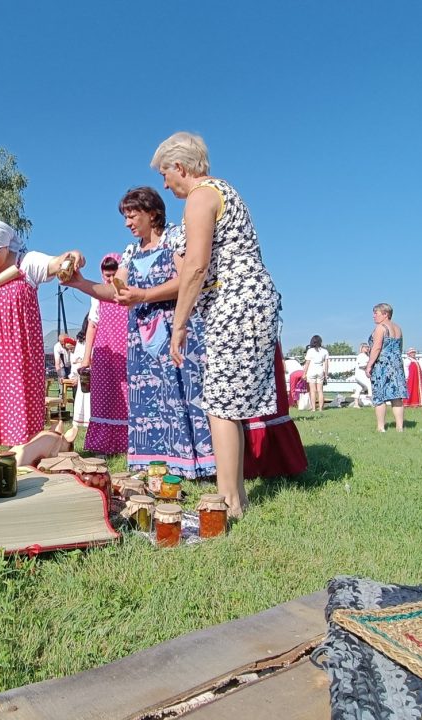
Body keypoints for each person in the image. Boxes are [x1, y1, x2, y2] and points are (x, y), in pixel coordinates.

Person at [156, 131, 290, 517]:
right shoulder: (224, 191)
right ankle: (236, 496)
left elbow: (196, 265)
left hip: (236, 302)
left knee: (221, 405)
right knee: (225, 402)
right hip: (247, 301)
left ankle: (230, 501)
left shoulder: (201, 196)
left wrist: (178, 325)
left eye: (166, 174)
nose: (165, 184)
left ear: (180, 167)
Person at [66, 186, 215, 478]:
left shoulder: (174, 239)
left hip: (175, 326)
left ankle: (194, 464)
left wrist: (144, 295)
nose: (127, 223)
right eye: (125, 216)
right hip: (141, 337)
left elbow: (188, 278)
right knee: (147, 399)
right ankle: (153, 462)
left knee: (180, 393)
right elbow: (113, 291)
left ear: (153, 213)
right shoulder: (131, 252)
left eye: (132, 215)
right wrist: (79, 283)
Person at [0, 219, 84, 446]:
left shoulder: (27, 262)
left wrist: (72, 254)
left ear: (6, 247)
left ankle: (25, 454)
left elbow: (55, 263)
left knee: (20, 400)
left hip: (19, 351)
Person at [75, 254, 129, 454]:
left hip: (126, 350)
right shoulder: (97, 295)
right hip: (105, 352)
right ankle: (102, 445)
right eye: (107, 276)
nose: (109, 279)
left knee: (127, 395)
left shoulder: (129, 291)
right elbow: (92, 325)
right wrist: (86, 357)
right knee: (103, 397)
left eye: (113, 274)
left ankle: (128, 445)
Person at [365, 303, 408, 432]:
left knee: (380, 396)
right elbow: (400, 348)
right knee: (397, 397)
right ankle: (399, 427)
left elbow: (377, 347)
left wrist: (369, 365)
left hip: (382, 365)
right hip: (396, 364)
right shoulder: (398, 328)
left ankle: (380, 427)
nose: (374, 316)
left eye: (376, 313)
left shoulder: (380, 328)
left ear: (385, 314)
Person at [69, 324, 90, 431]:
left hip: (95, 372)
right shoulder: (81, 341)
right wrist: (75, 375)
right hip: (85, 375)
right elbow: (75, 360)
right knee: (86, 399)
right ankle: (87, 422)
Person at [302, 335, 329, 412]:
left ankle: (313, 408)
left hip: (311, 370)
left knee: (312, 390)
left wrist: (304, 373)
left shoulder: (310, 351)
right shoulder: (325, 351)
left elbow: (307, 363)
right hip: (320, 370)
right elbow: (326, 364)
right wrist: (326, 374)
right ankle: (321, 408)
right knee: (320, 390)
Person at [351, 342, 374, 408]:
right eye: (365, 347)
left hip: (362, 375)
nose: (367, 348)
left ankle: (356, 404)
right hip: (360, 374)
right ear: (362, 348)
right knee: (369, 386)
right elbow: (361, 366)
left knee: (359, 388)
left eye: (368, 347)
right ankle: (372, 402)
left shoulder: (366, 356)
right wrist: (369, 365)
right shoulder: (361, 356)